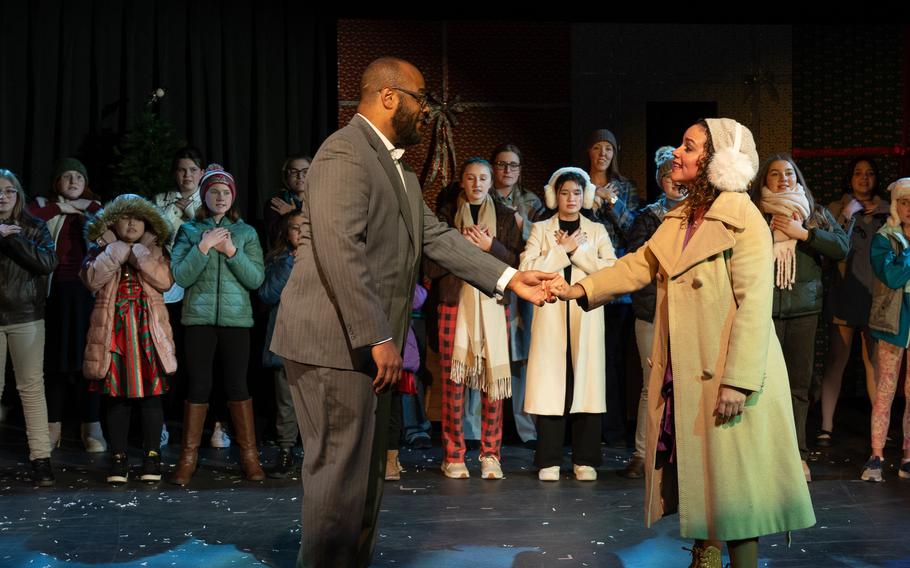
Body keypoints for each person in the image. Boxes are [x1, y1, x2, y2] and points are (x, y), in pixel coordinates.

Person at [269, 56, 554, 567]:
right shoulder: (344, 154)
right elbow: (341, 250)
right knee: (338, 480)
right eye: (422, 99)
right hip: (334, 345)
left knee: (363, 481)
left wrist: (510, 278)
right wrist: (379, 337)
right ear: (389, 97)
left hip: (365, 344)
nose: (428, 112)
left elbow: (436, 235)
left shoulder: (395, 167)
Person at [552, 118, 815, 568]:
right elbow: (639, 264)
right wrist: (578, 289)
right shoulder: (682, 217)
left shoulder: (742, 219)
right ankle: (705, 557)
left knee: (735, 495)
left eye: (689, 147)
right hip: (689, 369)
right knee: (705, 483)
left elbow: (754, 306)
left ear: (717, 161)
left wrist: (738, 381)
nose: (678, 151)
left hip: (730, 372)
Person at [749, 154, 848, 482]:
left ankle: (797, 454)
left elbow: (842, 247)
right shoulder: (755, 214)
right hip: (762, 309)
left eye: (789, 173)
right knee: (759, 386)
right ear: (765, 181)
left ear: (798, 178)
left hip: (804, 309)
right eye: (775, 174)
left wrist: (803, 233)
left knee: (797, 386)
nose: (783, 179)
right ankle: (761, 455)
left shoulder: (813, 212)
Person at [169, 164, 266, 485]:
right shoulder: (189, 231)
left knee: (237, 386)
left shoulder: (247, 233)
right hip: (198, 320)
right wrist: (204, 246)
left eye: (225, 192)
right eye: (213, 191)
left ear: (233, 197)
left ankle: (249, 457)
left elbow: (256, 279)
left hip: (236, 322)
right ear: (204, 195)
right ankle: (188, 458)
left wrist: (231, 251)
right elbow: (181, 276)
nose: (220, 197)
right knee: (198, 386)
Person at [426, 157, 522, 480]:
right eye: (471, 178)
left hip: (493, 305)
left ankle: (491, 454)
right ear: (463, 182)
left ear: (491, 182)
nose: (477, 184)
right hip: (455, 302)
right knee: (453, 382)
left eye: (483, 178)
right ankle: (453, 454)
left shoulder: (506, 218)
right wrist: (460, 249)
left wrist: (490, 246)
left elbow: (515, 265)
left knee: (492, 384)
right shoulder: (446, 216)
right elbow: (431, 268)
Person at [520, 167, 615, 481]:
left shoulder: (597, 231)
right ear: (554, 196)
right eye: (564, 193)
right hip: (550, 313)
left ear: (585, 195)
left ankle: (584, 458)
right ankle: (548, 459)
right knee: (552, 383)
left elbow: (610, 272)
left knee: (584, 382)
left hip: (586, 313)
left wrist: (580, 250)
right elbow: (527, 267)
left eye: (577, 192)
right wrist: (561, 250)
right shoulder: (540, 229)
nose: (571, 198)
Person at [82, 194, 176, 484]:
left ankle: (151, 455)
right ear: (114, 222)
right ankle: (119, 457)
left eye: (138, 218)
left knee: (151, 394)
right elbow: (91, 279)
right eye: (126, 217)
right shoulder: (100, 249)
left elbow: (165, 281)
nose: (132, 223)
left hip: (148, 332)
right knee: (115, 396)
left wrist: (140, 255)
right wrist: (117, 250)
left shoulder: (155, 249)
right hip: (114, 332)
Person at [27, 158, 107, 453]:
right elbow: (30, 216)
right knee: (56, 362)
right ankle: (53, 426)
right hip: (55, 294)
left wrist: (85, 207)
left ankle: (92, 425)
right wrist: (61, 208)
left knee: (90, 361)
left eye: (79, 177)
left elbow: (109, 221)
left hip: (89, 296)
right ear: (57, 183)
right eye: (67, 177)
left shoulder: (97, 209)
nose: (73, 182)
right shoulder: (44, 206)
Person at [623, 146, 687, 479]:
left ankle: (684, 454)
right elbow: (637, 263)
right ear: (661, 181)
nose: (675, 182)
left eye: (679, 176)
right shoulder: (649, 217)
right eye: (668, 177)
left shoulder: (701, 215)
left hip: (689, 315)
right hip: (652, 313)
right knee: (652, 385)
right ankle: (642, 453)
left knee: (688, 385)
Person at [818, 157, 889, 446]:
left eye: (870, 173)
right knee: (837, 359)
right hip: (846, 292)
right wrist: (848, 214)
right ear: (850, 178)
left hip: (878, 296)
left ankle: (879, 430)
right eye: (858, 173)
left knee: (874, 362)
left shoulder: (888, 210)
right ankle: (825, 426)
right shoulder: (837, 208)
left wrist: (884, 210)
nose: (864, 178)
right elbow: (828, 248)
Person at [0, 168, 58, 486]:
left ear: (18, 194)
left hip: (26, 317)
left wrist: (14, 239)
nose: (2, 196)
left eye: (8, 190)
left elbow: (48, 263)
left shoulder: (33, 226)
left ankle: (41, 459)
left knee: (31, 389)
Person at [586, 128, 639, 447]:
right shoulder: (577, 183)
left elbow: (632, 226)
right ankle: (585, 429)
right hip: (583, 280)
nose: (603, 153)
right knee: (586, 357)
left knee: (614, 359)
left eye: (609, 148)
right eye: (597, 147)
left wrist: (610, 200)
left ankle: (615, 429)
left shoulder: (624, 187)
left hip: (616, 286)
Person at [489, 142, 544, 447]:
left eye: (513, 165)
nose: (507, 170)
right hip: (492, 282)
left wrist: (522, 225)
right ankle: (484, 431)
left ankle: (526, 430)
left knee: (522, 358)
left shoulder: (531, 201)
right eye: (501, 164)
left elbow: (542, 238)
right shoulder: (484, 195)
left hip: (522, 286)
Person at [153, 146, 208, 448]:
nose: (187, 175)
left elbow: (207, 231)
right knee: (167, 355)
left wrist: (188, 210)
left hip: (199, 289)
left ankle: (205, 427)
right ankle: (160, 422)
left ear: (201, 173)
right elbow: (155, 234)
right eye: (182, 170)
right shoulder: (162, 200)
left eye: (193, 170)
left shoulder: (210, 196)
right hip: (168, 288)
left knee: (196, 360)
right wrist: (174, 208)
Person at [861, 177, 910, 482]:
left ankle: (908, 456)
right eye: (904, 202)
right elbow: (891, 277)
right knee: (885, 390)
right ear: (895, 204)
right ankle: (876, 455)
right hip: (894, 320)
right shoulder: (885, 237)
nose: (909, 209)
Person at [258, 210, 305, 479]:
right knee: (286, 400)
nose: (300, 232)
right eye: (295, 228)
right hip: (286, 338)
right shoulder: (279, 260)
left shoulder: (325, 258)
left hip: (316, 339)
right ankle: (286, 450)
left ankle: (316, 453)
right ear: (286, 233)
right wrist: (290, 264)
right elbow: (267, 293)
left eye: (305, 227)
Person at [263, 154, 312, 243]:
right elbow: (276, 238)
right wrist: (288, 217)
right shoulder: (274, 203)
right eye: (294, 171)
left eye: (305, 171)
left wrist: (292, 213)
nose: (300, 176)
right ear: (286, 176)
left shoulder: (321, 202)